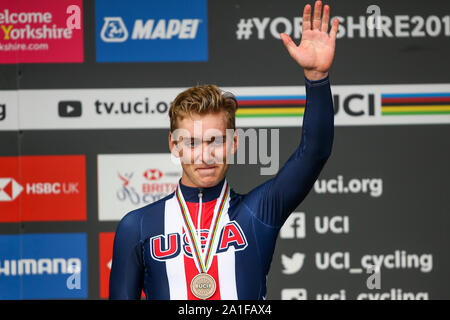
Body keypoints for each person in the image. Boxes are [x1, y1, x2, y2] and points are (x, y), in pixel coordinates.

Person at [109, 0, 339, 300]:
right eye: (192, 142)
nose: (204, 155)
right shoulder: (137, 226)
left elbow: (315, 152)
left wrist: (317, 78)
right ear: (174, 145)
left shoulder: (258, 212)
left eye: (214, 141)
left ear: (233, 144)